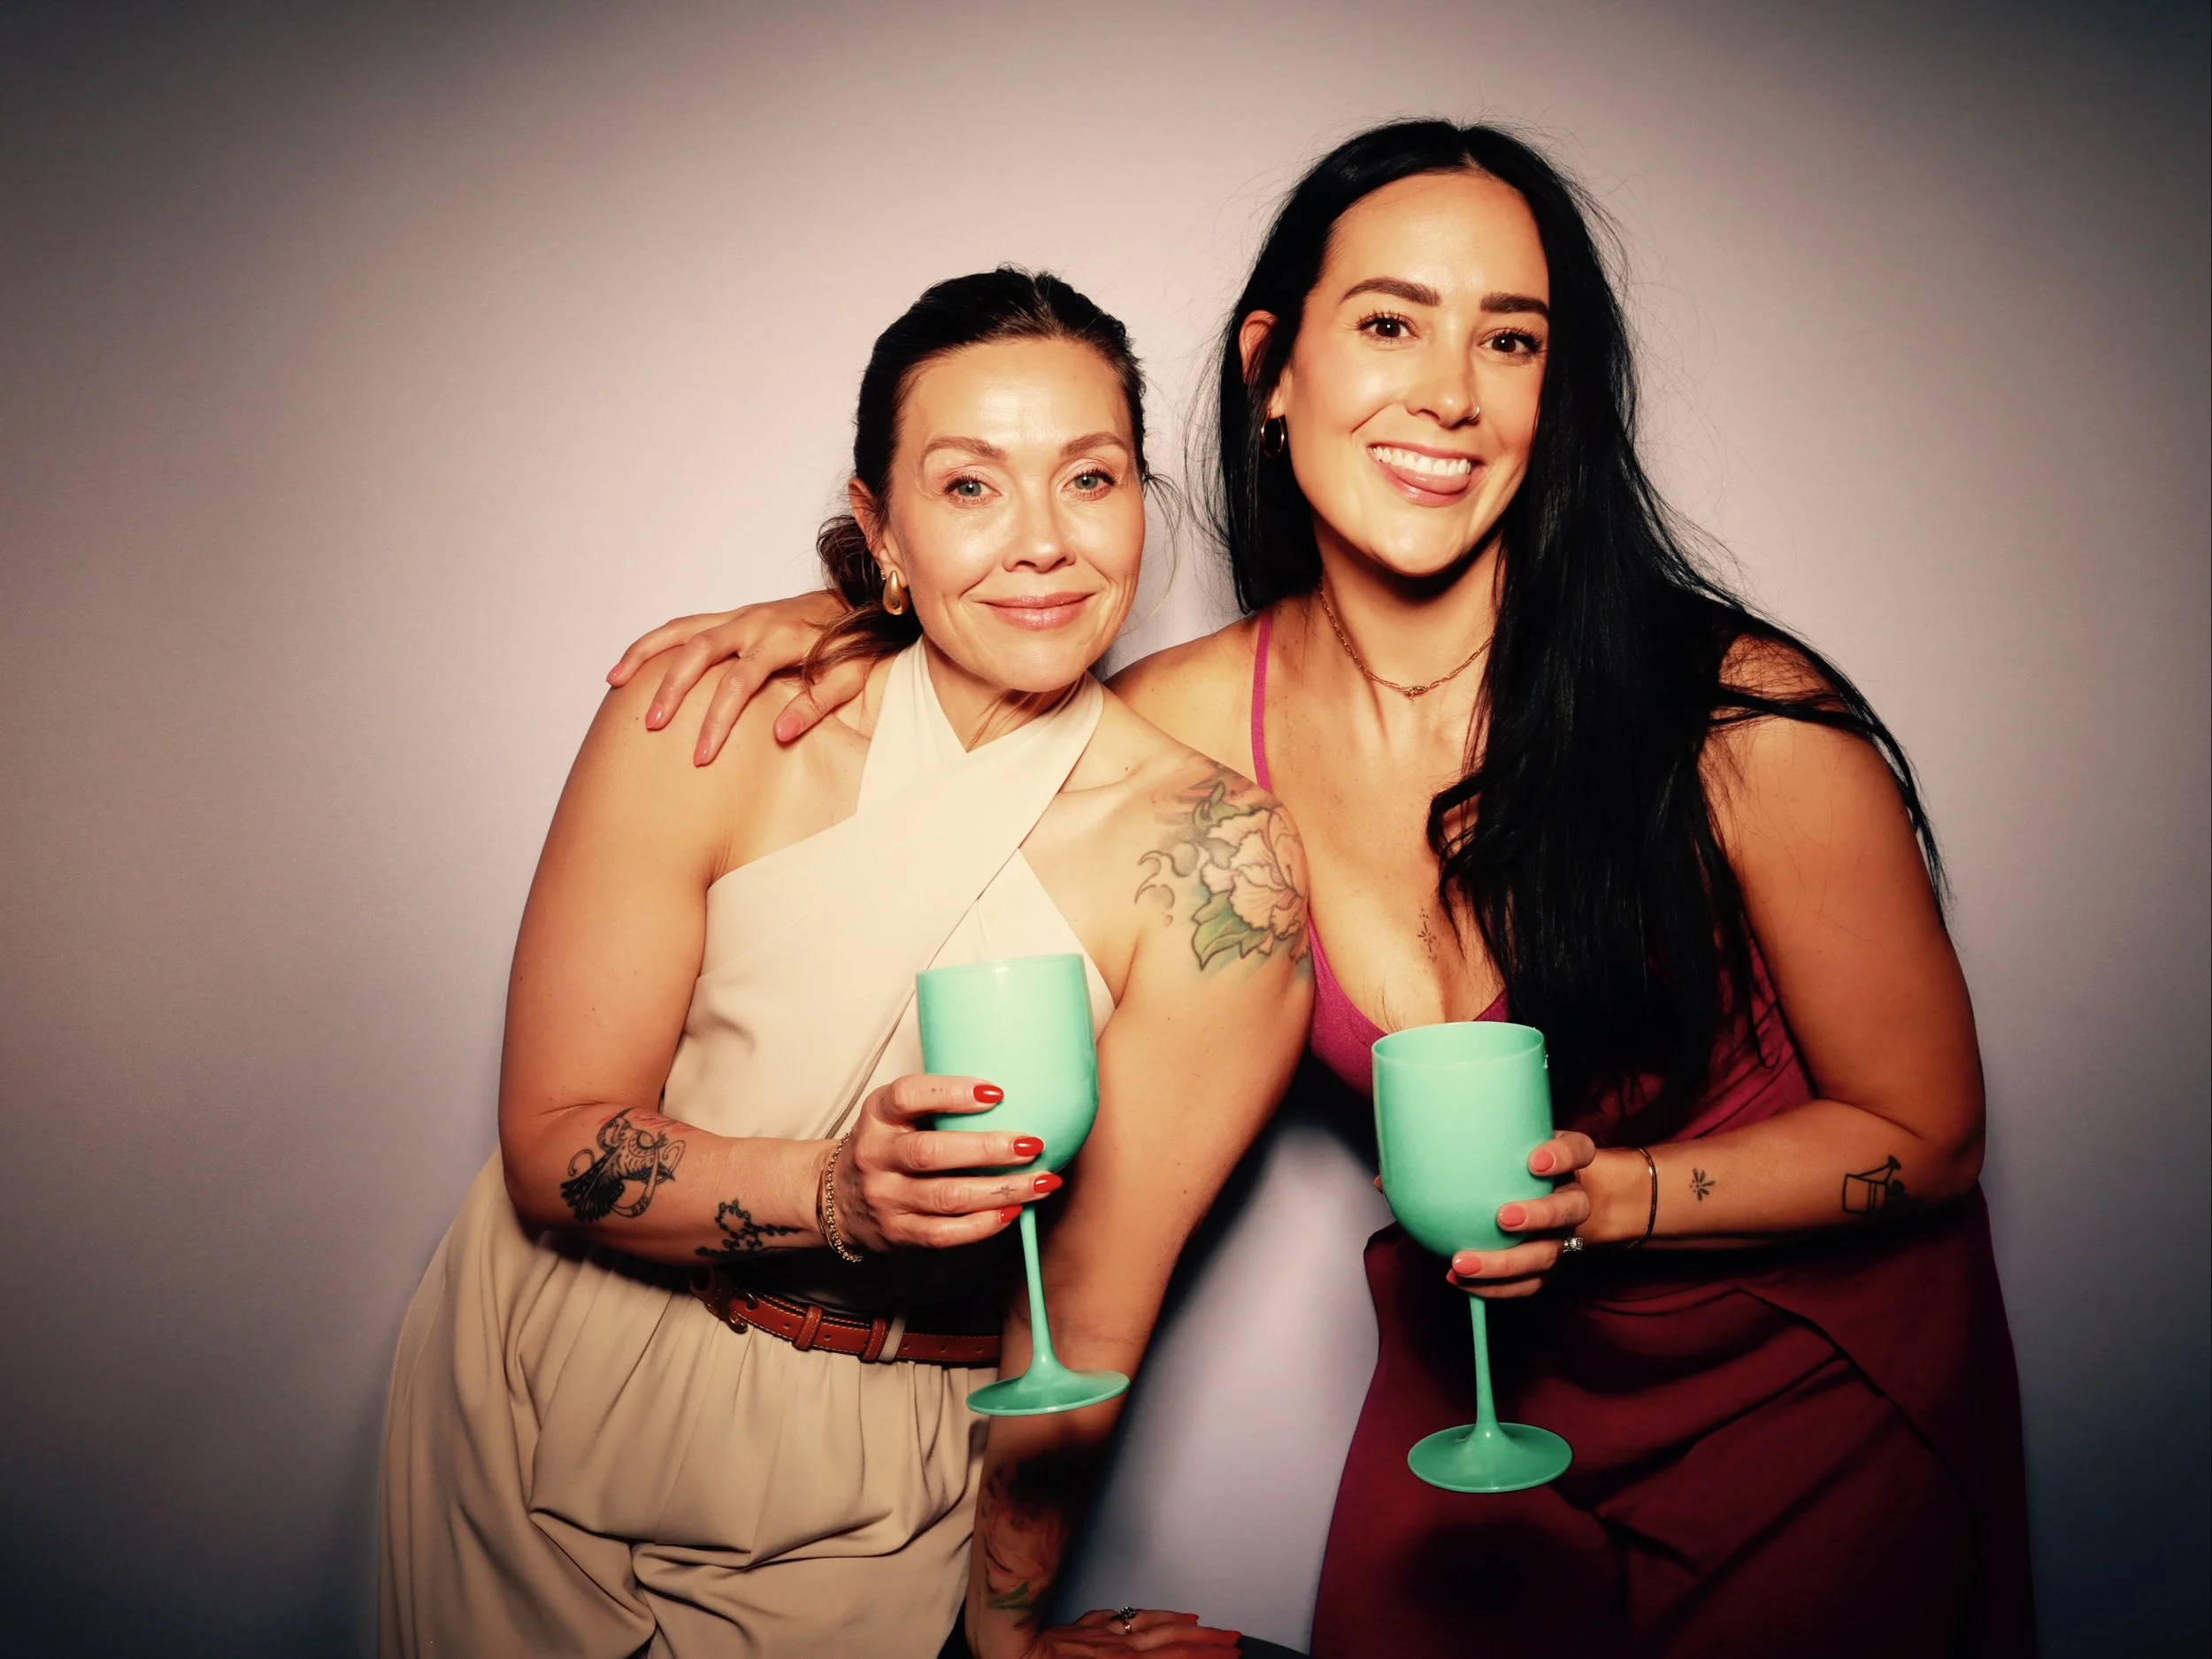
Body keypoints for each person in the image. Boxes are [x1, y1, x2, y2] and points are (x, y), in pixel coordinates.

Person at [611, 122, 2035, 1657]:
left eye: (1510, 338)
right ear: (1272, 364)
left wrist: (1613, 1198)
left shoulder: (1736, 720)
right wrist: (842, 606)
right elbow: (994, 649)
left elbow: (1929, 1135)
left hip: (1812, 1387)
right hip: (1476, 1379)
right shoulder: (1182, 734)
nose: (1450, 390)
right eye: (1389, 323)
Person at [381, 267, 1312, 1659]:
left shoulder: (1216, 870)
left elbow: (1086, 1331)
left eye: (1092, 478)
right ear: (879, 524)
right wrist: (835, 1189)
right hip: (541, 1392)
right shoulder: (698, 723)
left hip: (868, 1476)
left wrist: (1003, 1643)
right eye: (970, 486)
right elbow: (552, 1147)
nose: (1045, 542)